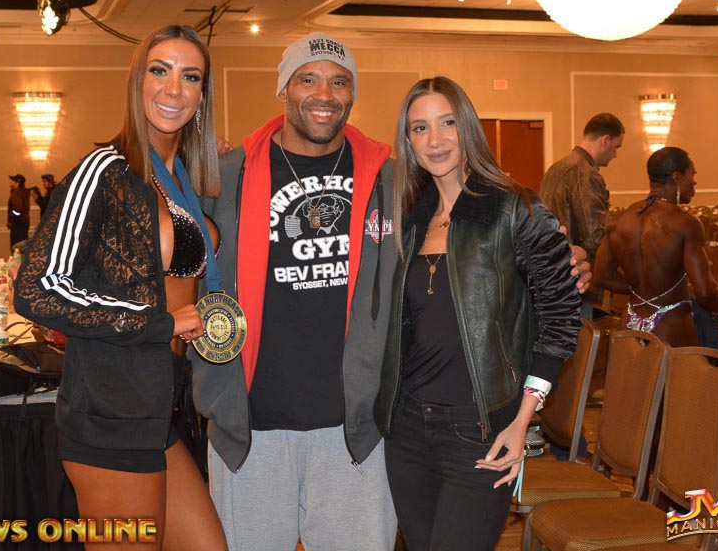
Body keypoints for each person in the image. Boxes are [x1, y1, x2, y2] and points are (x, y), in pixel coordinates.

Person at [14, 24, 227, 551]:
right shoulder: (104, 170)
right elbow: (37, 288)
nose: (174, 88)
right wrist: (158, 324)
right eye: (160, 71)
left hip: (164, 408)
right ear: (137, 82)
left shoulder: (183, 179)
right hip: (110, 411)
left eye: (190, 77)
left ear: (202, 95)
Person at [193, 32, 400, 551]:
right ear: (283, 88)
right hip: (251, 429)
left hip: (356, 429)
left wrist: (545, 245)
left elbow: (461, 216)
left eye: (339, 82)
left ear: (352, 93)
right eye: (308, 79)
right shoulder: (225, 177)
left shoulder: (391, 179)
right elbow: (168, 247)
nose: (324, 94)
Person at [373, 76, 582, 551]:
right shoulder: (408, 218)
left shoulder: (516, 208)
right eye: (420, 128)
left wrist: (523, 419)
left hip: (483, 431)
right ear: (408, 142)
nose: (435, 139)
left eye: (447, 123)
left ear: (467, 127)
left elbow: (562, 319)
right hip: (407, 431)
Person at [592, 146, 718, 346]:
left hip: (629, 325)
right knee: (686, 368)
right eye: (692, 174)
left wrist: (641, 290)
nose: (694, 181)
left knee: (630, 368)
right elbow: (704, 291)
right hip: (671, 326)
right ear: (676, 177)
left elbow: (601, 276)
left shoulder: (619, 220)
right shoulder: (685, 223)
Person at [539, 113, 624, 268]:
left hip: (549, 264)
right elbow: (594, 237)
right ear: (605, 140)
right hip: (576, 269)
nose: (615, 155)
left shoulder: (555, 167)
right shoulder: (586, 173)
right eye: (616, 147)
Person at [6, 173, 30, 247]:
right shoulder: (23, 192)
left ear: (17, 183)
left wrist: (11, 220)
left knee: (16, 247)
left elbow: (18, 209)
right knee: (22, 246)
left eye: (12, 180)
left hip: (17, 224)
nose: (10, 181)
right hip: (24, 222)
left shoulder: (16, 193)